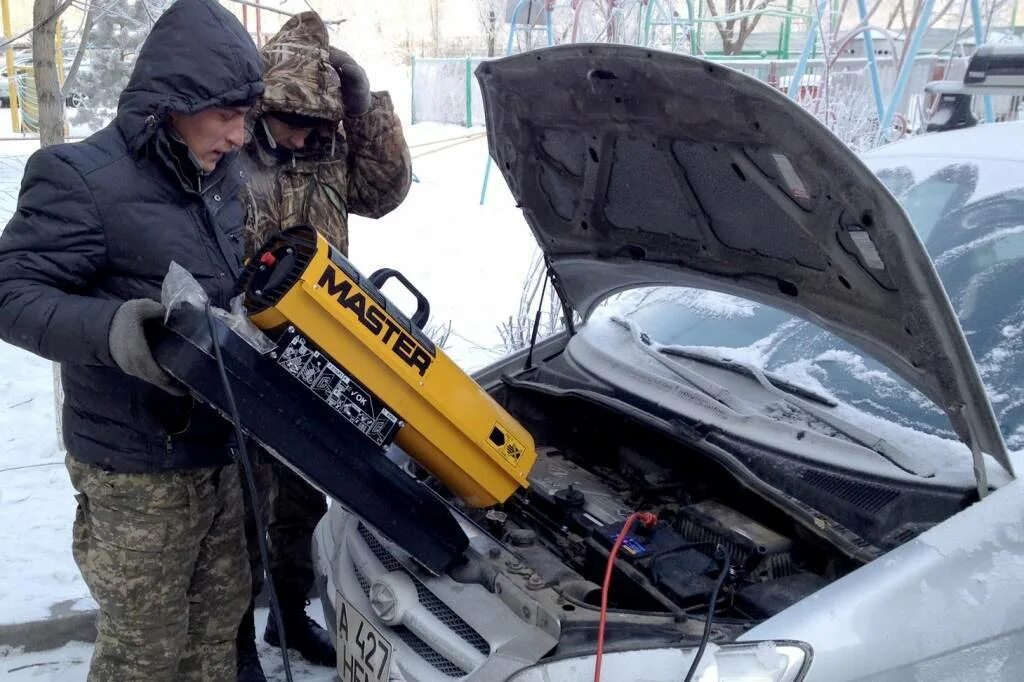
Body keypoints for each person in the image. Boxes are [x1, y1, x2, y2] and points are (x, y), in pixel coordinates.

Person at [0, 1, 263, 679]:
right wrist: (120, 330)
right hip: (135, 468)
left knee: (217, 632)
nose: (239, 135)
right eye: (226, 115)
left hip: (218, 450)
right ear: (175, 103)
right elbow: (11, 292)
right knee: (145, 652)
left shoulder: (220, 177)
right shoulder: (80, 177)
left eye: (246, 116)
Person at [235, 11, 412, 680]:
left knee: (302, 492)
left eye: (319, 123)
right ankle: (235, 638)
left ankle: (287, 610)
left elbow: (384, 193)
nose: (305, 136)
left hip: (318, 345)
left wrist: (367, 113)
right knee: (243, 499)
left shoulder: (330, 143)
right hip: (242, 341)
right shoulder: (232, 145)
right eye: (294, 122)